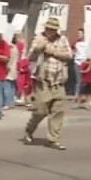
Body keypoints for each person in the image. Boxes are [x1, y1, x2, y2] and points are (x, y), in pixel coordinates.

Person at [23, 17, 73, 150]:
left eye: (53, 29)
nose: (50, 31)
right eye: (48, 28)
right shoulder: (39, 38)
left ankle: (53, 140)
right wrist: (39, 48)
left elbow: (69, 55)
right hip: (43, 82)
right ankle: (29, 130)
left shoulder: (62, 39)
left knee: (58, 112)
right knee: (40, 111)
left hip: (58, 81)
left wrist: (54, 52)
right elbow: (30, 57)